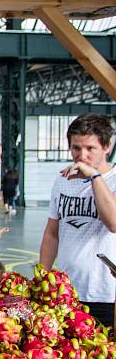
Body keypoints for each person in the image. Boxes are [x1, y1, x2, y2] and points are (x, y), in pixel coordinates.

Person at [40, 114, 116, 327]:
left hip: (104, 294)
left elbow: (113, 222)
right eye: (76, 148)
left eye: (90, 148)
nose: (82, 155)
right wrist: (42, 277)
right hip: (66, 293)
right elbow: (51, 233)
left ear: (107, 146)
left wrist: (93, 176)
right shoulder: (62, 180)